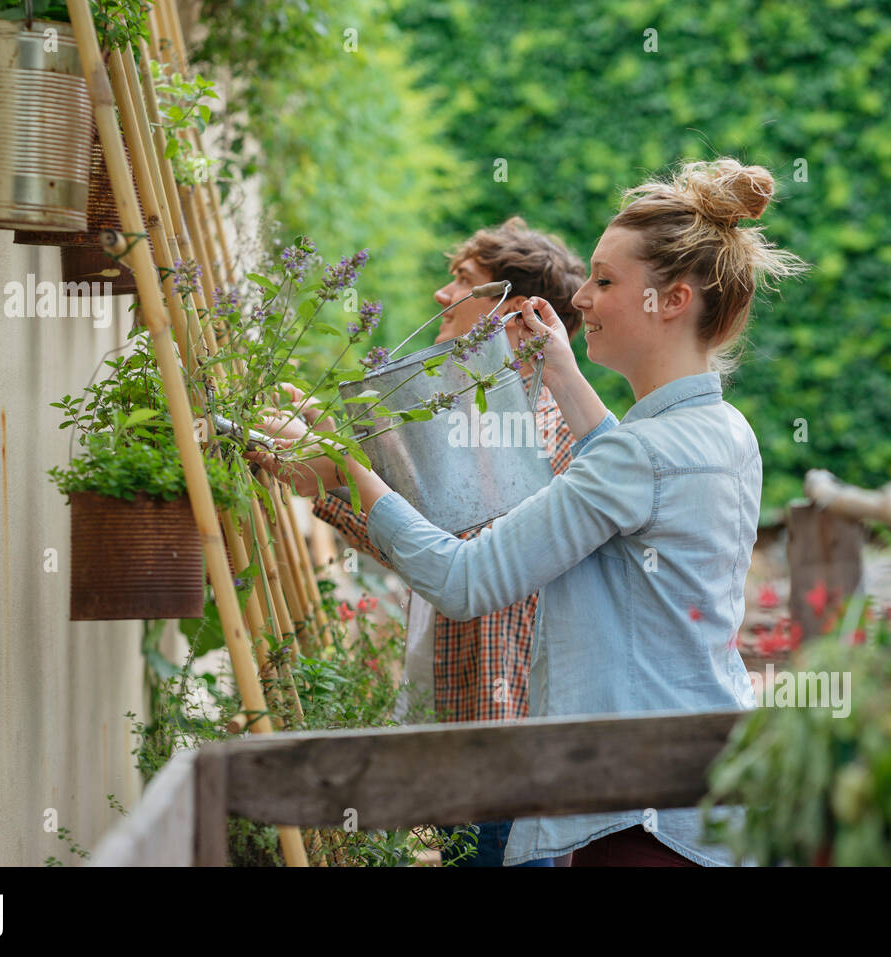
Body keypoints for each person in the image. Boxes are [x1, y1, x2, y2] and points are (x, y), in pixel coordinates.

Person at [254, 156, 808, 866]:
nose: (582, 300)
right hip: (697, 788)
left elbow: (464, 579)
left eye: (606, 282)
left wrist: (348, 465)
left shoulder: (638, 458)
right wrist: (566, 376)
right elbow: (630, 477)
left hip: (637, 820)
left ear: (670, 300)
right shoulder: (721, 430)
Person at [263, 218, 587, 867]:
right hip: (464, 753)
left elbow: (468, 571)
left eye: (462, 281)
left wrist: (336, 474)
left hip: (503, 768)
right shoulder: (480, 428)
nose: (441, 295)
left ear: (518, 317)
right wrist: (330, 475)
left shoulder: (542, 436)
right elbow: (433, 547)